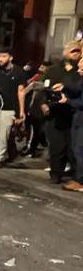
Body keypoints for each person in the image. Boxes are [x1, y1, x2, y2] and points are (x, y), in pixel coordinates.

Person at [40, 41, 82, 185]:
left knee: (73, 148)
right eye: (71, 50)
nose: (74, 53)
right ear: (65, 52)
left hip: (74, 114)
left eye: (77, 51)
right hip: (55, 113)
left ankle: (77, 177)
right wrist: (43, 104)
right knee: (56, 147)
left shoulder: (80, 71)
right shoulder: (53, 70)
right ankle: (56, 173)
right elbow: (43, 90)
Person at [58, 57, 83, 191]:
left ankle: (81, 181)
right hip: (78, 119)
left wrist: (68, 101)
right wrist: (64, 87)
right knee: (76, 149)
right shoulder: (81, 80)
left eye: (82, 68)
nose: (79, 71)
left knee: (80, 150)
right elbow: (75, 90)